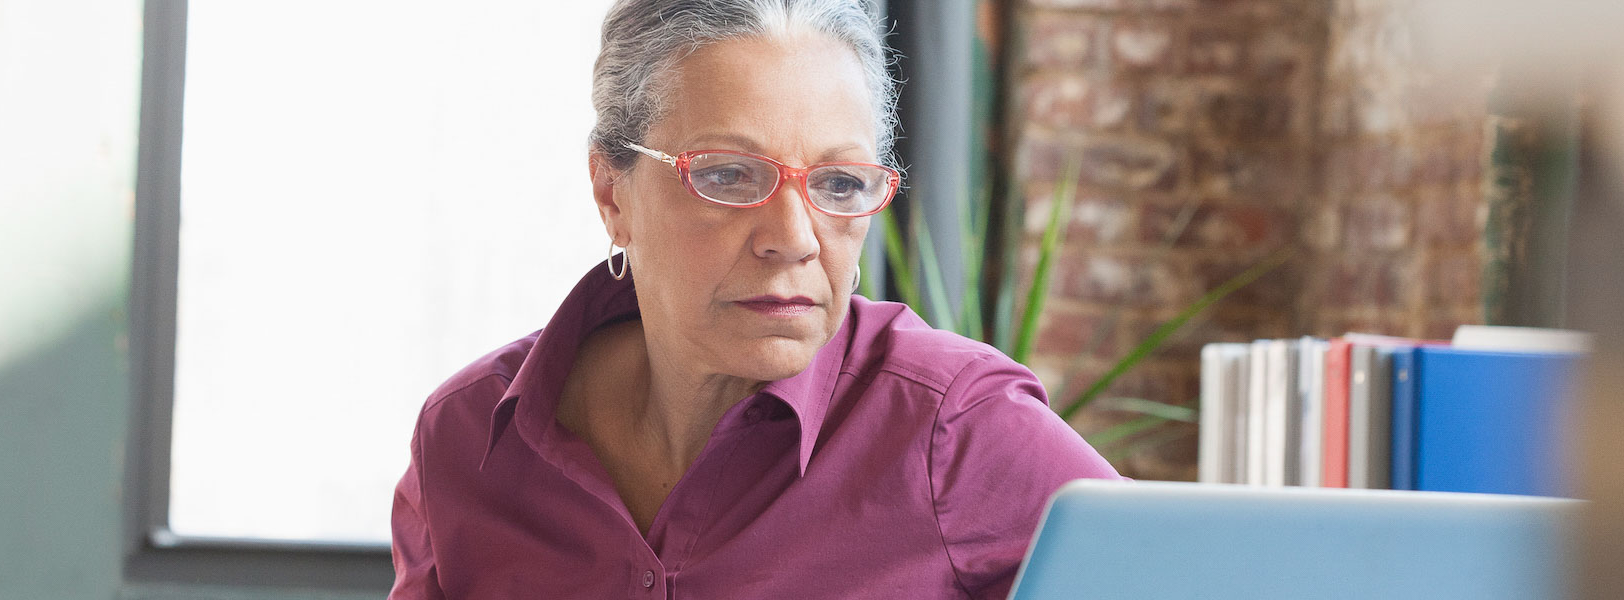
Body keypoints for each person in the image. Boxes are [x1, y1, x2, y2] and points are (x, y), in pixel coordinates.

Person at [389, 1, 1120, 597]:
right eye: (730, 176)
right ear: (614, 195)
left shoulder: (956, 430)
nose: (795, 238)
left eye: (838, 184)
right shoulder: (466, 438)